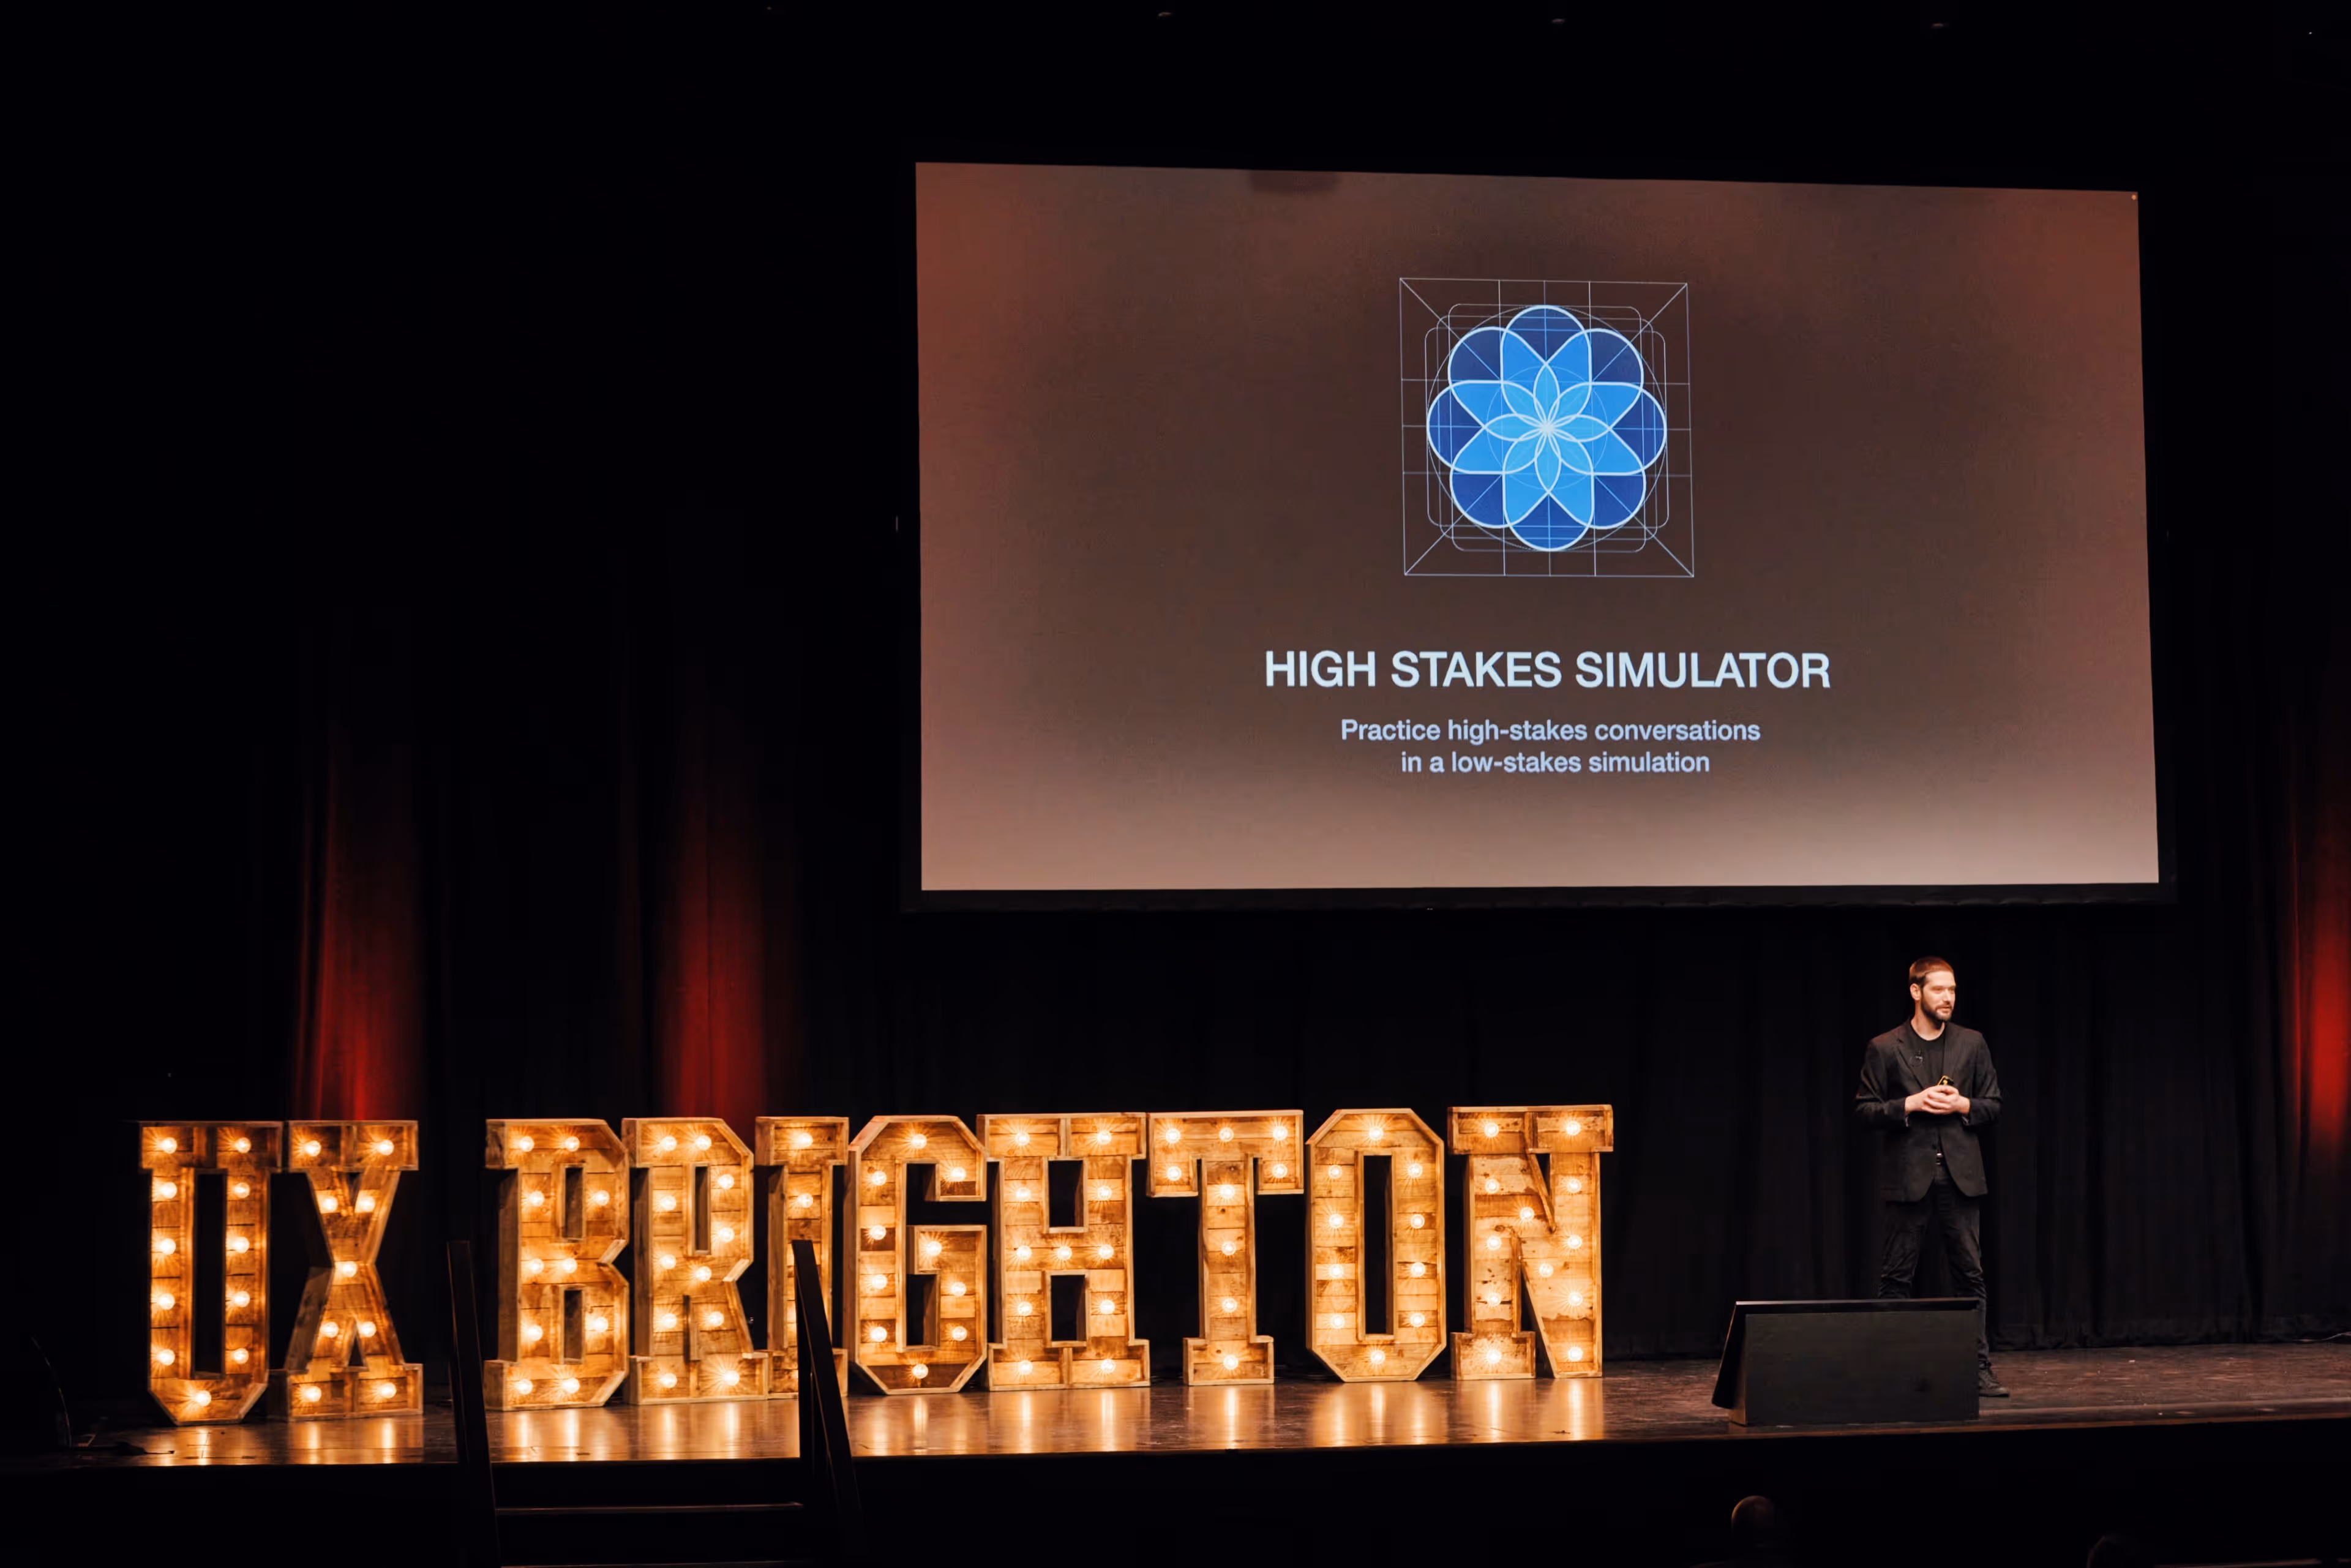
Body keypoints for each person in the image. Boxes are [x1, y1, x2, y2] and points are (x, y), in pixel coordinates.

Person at [1853, 956, 2008, 1397]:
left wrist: (1964, 1106)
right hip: (1909, 1176)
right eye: (1939, 989)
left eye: (1953, 990)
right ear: (1916, 991)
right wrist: (1910, 1103)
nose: (1949, 998)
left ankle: (1978, 1368)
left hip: (1960, 1177)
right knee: (1896, 1277)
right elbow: (1865, 1110)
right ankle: (1889, 1368)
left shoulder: (1972, 1043)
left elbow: (1993, 1104)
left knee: (1970, 1275)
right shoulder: (1885, 1046)